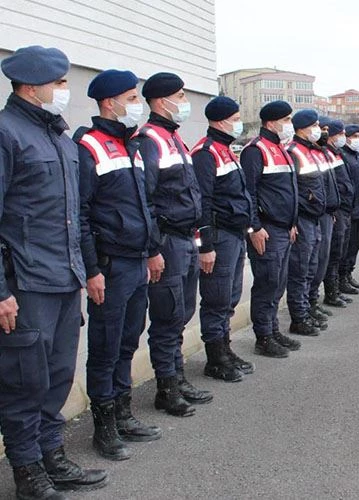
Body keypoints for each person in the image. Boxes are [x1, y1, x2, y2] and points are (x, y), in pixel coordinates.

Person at [0, 45, 107, 499]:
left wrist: (89, 269)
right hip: (25, 285)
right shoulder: (6, 133)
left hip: (65, 279)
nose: (65, 90)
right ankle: (27, 472)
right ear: (31, 87)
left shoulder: (60, 138)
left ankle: (51, 454)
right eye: (59, 83)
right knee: (25, 382)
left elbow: (74, 214)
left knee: (58, 374)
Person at [76, 69, 161, 462]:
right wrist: (91, 269)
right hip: (109, 267)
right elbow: (82, 214)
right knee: (105, 346)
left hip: (137, 261)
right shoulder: (89, 146)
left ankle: (124, 413)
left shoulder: (134, 146)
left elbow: (145, 206)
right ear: (109, 103)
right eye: (131, 97)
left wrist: (152, 249)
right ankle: (104, 427)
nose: (137, 104)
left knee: (129, 339)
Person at [136, 72, 211, 417]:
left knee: (182, 313)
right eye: (180, 96)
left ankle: (177, 378)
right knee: (167, 317)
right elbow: (147, 200)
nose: (185, 102)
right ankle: (166, 387)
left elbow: (190, 193)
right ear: (160, 100)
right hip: (167, 241)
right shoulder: (149, 138)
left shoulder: (173, 137)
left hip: (185, 239)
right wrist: (154, 247)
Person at [190, 96, 254, 382]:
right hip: (219, 235)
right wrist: (206, 245)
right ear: (220, 120)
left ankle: (225, 349)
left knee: (230, 296)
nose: (238, 122)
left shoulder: (226, 150)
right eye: (235, 117)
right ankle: (215, 358)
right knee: (216, 298)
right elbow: (202, 202)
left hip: (235, 234)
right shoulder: (205, 152)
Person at [240, 100, 302, 357]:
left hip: (283, 228)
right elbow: (249, 192)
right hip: (266, 230)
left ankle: (273, 329)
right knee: (266, 284)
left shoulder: (281, 148)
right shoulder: (255, 150)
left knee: (277, 284)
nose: (289, 124)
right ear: (271, 123)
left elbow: (289, 190)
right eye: (286, 120)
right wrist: (255, 227)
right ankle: (263, 336)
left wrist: (292, 223)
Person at [285, 109, 327, 336]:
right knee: (300, 270)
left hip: (314, 217)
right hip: (302, 218)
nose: (318, 130)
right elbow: (292, 189)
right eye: (314, 125)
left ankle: (307, 309)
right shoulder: (293, 151)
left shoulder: (309, 151)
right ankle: (298, 317)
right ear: (302, 127)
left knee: (311, 267)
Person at [306, 116, 342, 322]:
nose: (323, 132)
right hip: (312, 215)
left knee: (321, 261)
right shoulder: (300, 152)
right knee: (310, 265)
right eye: (320, 128)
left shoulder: (321, 153)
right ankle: (305, 309)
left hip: (327, 213)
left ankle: (311, 303)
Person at [322, 119, 353, 309]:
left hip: (344, 208)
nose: (344, 137)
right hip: (336, 210)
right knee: (332, 254)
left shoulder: (337, 154)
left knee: (340, 250)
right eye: (340, 133)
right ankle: (331, 292)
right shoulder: (327, 154)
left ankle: (337, 287)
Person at [339, 125, 359, 293]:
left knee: (354, 247)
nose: (358, 139)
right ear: (347, 137)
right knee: (345, 248)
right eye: (355, 136)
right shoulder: (343, 156)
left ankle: (348, 274)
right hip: (349, 211)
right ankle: (341, 278)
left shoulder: (357, 158)